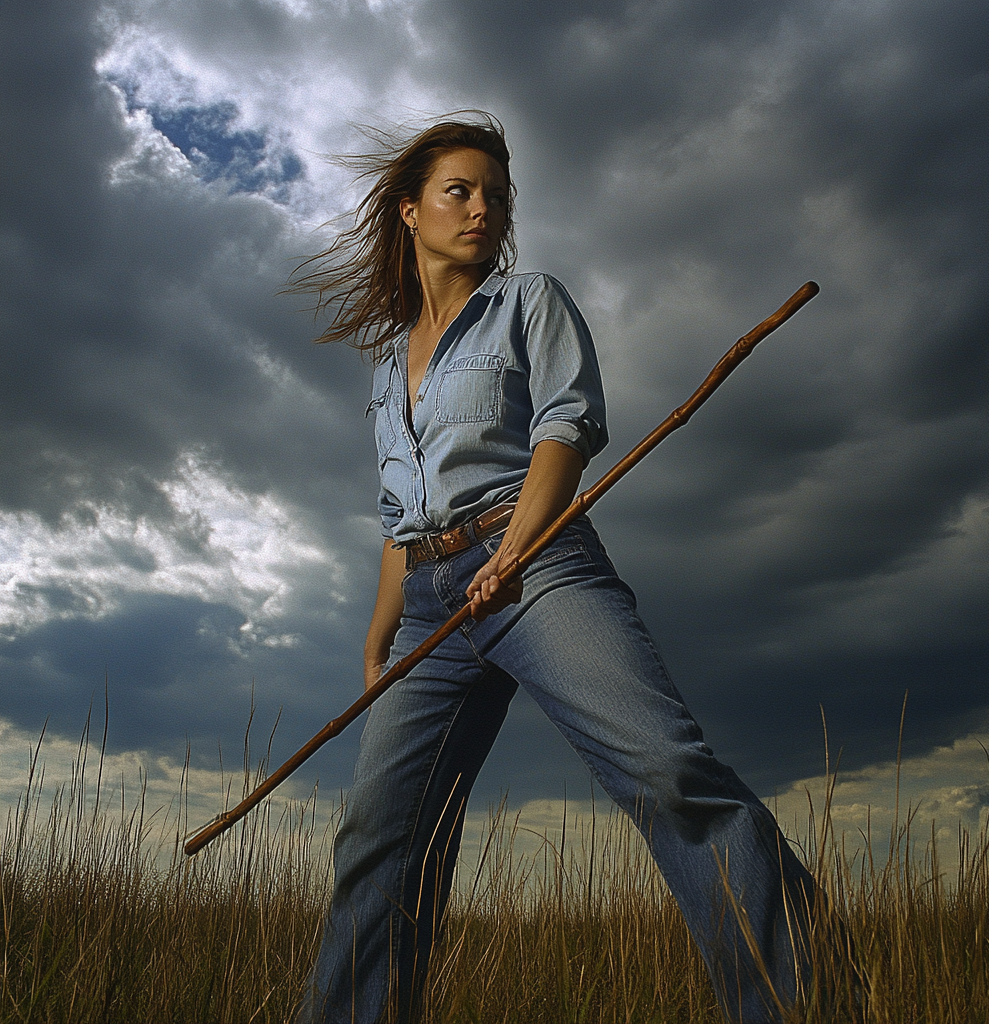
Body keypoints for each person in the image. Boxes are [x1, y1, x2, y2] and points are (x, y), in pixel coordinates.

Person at [292, 113, 821, 1024]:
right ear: (411, 211)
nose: (482, 208)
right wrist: (378, 646)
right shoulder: (387, 366)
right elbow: (400, 521)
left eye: (496, 195)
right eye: (459, 190)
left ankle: (808, 1005)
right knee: (377, 841)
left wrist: (512, 553)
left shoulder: (528, 300)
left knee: (666, 771)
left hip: (538, 569)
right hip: (431, 607)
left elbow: (565, 432)